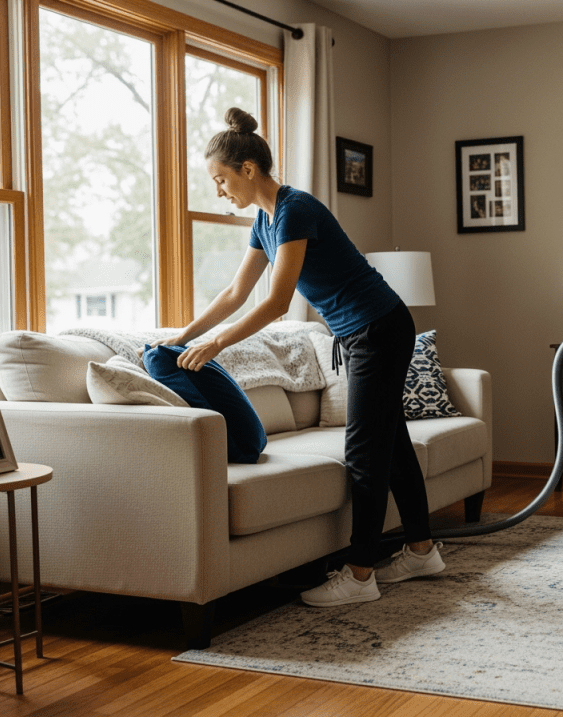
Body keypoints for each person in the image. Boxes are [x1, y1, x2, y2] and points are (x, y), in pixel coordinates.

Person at [149, 108, 444, 607]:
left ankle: (360, 573)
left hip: (379, 328)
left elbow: (277, 302)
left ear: (247, 169)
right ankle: (421, 551)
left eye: (221, 180)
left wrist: (217, 344)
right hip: (364, 333)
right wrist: (184, 335)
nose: (219, 191)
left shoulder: (295, 209)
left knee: (365, 452)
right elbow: (234, 292)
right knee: (390, 443)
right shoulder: (264, 223)